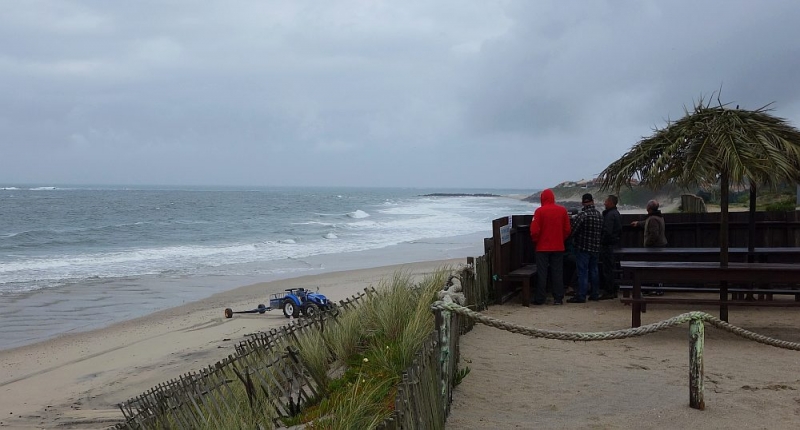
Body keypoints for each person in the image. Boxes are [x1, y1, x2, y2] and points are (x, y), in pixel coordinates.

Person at [530, 189, 572, 305]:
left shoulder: (539, 211)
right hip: (558, 246)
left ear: (542, 198)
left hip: (542, 247)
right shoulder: (562, 211)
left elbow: (534, 231)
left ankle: (540, 298)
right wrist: (560, 239)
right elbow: (567, 229)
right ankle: (558, 298)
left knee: (542, 273)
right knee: (557, 272)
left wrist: (536, 241)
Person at [567, 193, 603, 303]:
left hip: (583, 247)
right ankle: (595, 294)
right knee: (594, 271)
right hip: (595, 248)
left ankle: (581, 295)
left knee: (582, 272)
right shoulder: (599, 215)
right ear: (593, 201)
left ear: (583, 203)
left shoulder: (582, 215)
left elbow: (572, 231)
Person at [632, 199, 668, 295]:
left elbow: (654, 234)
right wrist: (639, 223)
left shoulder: (652, 219)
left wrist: (648, 243)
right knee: (656, 268)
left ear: (649, 208)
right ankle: (657, 288)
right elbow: (647, 224)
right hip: (659, 246)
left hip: (655, 247)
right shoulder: (657, 217)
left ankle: (656, 289)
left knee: (654, 269)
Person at [600, 194, 622, 299]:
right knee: (612, 268)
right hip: (614, 244)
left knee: (608, 268)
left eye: (606, 201)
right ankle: (613, 290)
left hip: (608, 245)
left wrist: (602, 241)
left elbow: (607, 231)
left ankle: (609, 291)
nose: (604, 203)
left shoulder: (610, 215)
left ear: (611, 203)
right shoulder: (616, 213)